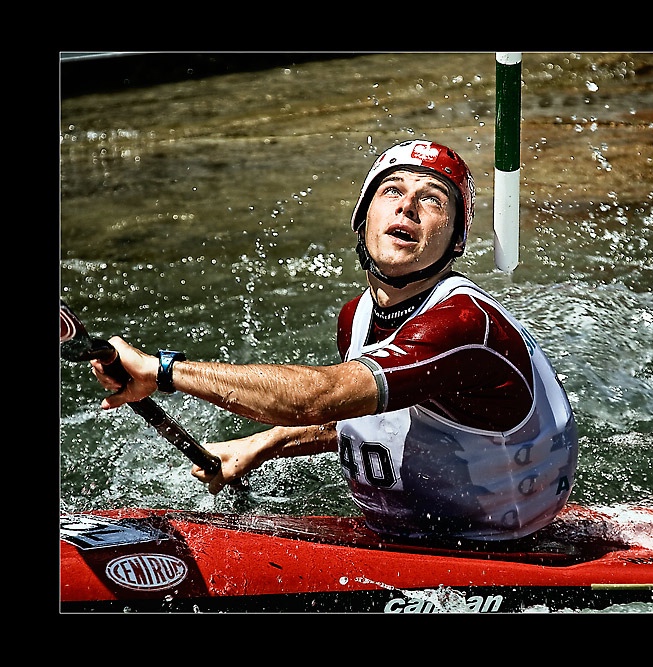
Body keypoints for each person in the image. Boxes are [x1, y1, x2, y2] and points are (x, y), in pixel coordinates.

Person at [90, 139, 578, 543]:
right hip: (413, 533)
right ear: (363, 220)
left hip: (499, 545)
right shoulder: (357, 316)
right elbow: (369, 413)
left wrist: (163, 370)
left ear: (454, 242)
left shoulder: (463, 326)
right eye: (391, 191)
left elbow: (317, 399)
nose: (407, 204)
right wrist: (262, 444)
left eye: (432, 199)